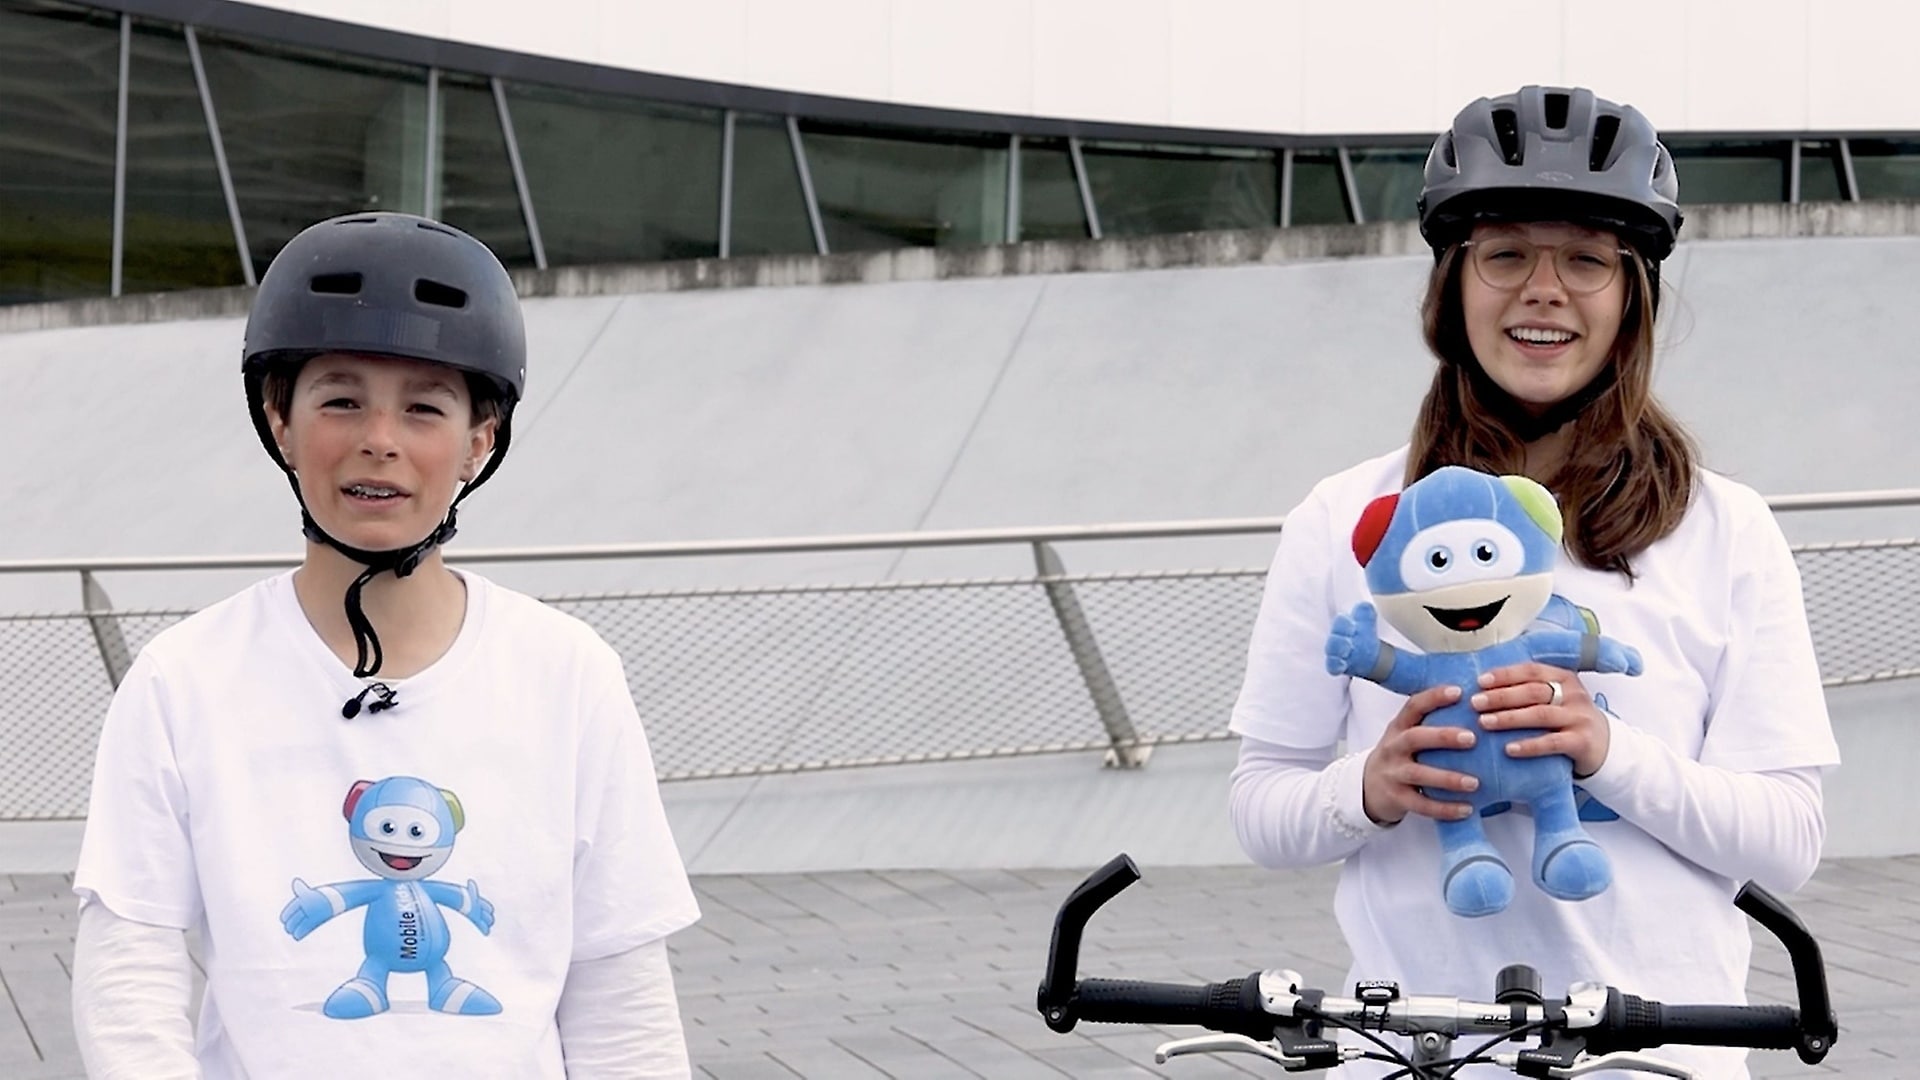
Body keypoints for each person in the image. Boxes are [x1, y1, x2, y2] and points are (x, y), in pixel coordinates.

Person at [1227, 86, 1840, 1078]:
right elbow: (1263, 805)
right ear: (1452, 286)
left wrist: (1604, 749)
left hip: (1655, 1060)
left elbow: (1787, 844)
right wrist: (1371, 789)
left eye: (1587, 259)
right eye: (1506, 253)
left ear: (1633, 293)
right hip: (1407, 1053)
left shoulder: (1728, 530)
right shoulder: (1346, 519)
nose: (1543, 288)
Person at [70, 212, 700, 1078]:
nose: (381, 437)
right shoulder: (184, 680)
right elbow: (129, 972)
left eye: (425, 407)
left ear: (480, 441)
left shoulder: (568, 674)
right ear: (279, 419)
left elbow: (620, 988)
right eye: (340, 398)